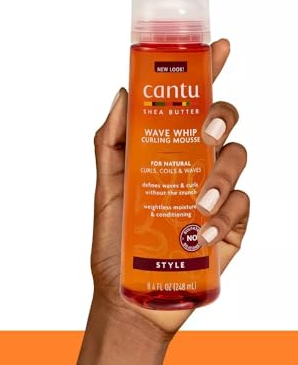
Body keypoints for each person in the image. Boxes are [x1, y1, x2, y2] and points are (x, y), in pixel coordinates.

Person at [77, 39, 250, 364]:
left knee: (198, 140)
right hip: (136, 270)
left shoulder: (190, 55)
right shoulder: (144, 54)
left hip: (187, 261)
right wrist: (120, 319)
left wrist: (130, 327)